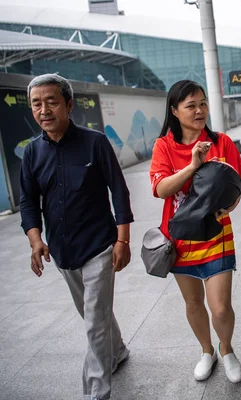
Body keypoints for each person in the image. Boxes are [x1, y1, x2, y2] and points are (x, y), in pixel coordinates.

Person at [20, 73, 133, 400]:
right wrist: (35, 239)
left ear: (69, 104)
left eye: (51, 102)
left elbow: (119, 191)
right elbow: (28, 199)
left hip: (99, 245)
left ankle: (95, 392)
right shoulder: (31, 153)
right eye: (36, 104)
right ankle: (119, 350)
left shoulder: (94, 142)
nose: (44, 110)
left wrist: (122, 240)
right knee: (92, 312)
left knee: (93, 322)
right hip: (62, 250)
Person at [149, 80, 241, 383]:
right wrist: (192, 166)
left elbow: (236, 186)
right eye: (191, 105)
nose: (200, 110)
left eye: (203, 103)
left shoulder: (222, 142)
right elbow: (160, 188)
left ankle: (227, 348)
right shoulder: (163, 146)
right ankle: (207, 351)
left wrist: (227, 209)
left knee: (220, 307)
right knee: (192, 303)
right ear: (174, 111)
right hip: (179, 241)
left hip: (216, 236)